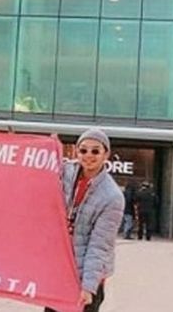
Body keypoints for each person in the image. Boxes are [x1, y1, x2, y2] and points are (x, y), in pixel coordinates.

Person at [46, 129, 124, 312]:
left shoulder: (112, 197)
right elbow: (38, 171)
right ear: (76, 151)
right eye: (83, 150)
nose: (88, 156)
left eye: (95, 151)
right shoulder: (65, 171)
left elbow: (99, 246)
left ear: (106, 154)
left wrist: (88, 287)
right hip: (61, 269)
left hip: (88, 276)